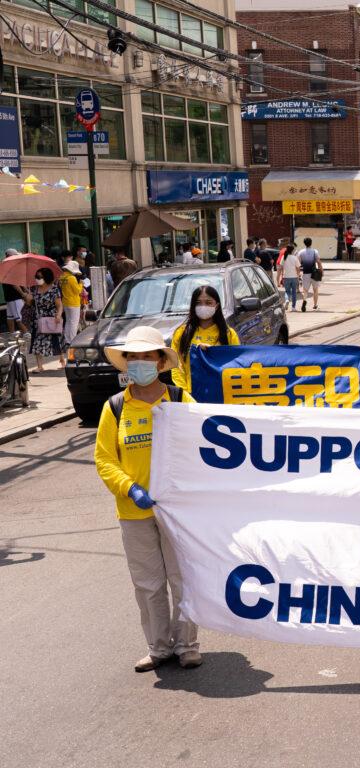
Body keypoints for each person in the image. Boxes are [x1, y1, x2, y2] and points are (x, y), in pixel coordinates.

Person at [95, 327, 201, 672]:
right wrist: (129, 487)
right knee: (147, 583)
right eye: (133, 357)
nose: (139, 363)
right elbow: (105, 459)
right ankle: (159, 647)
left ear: (160, 362)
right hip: (133, 511)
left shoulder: (181, 401)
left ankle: (187, 645)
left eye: (146, 356)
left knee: (182, 579)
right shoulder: (114, 408)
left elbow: (208, 446)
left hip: (178, 512)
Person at [170, 285, 240, 393]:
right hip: (191, 395)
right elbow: (176, 366)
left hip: (221, 394)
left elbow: (236, 365)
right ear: (193, 306)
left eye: (208, 303)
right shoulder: (181, 333)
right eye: (198, 303)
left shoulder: (228, 334)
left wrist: (213, 354)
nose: (203, 306)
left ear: (216, 306)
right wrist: (185, 393)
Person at [22, 267, 65, 371]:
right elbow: (30, 303)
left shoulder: (54, 289)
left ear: (46, 277)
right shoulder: (34, 289)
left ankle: (62, 360)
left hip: (52, 317)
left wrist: (58, 315)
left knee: (56, 339)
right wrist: (27, 297)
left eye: (39, 277)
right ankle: (40, 366)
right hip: (38, 318)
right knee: (37, 341)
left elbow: (59, 305)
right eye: (36, 277)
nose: (37, 279)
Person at [58, 261, 84, 344]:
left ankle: (67, 339)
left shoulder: (61, 277)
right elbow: (77, 291)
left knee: (68, 322)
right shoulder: (71, 278)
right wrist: (81, 284)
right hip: (74, 302)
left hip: (65, 302)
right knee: (74, 322)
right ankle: (72, 340)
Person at [296, 237, 322, 312]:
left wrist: (298, 273)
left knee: (305, 290)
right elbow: (318, 262)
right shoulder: (315, 251)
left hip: (305, 273)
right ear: (311, 243)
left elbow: (298, 263)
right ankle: (315, 305)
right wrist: (321, 271)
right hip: (314, 273)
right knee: (315, 290)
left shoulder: (301, 252)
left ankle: (304, 301)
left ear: (304, 243)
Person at [277, 244, 301, 311]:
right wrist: (298, 275)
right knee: (294, 292)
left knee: (287, 291)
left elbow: (281, 267)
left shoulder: (284, 257)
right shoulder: (295, 258)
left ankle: (287, 300)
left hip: (286, 277)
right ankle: (293, 307)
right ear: (293, 250)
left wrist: (281, 275)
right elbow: (298, 267)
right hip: (294, 277)